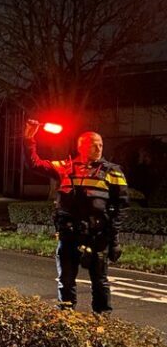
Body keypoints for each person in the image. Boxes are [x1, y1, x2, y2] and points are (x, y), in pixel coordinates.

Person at [24, 121, 129, 313]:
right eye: (93, 144)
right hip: (69, 235)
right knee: (66, 281)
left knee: (100, 282)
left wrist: (114, 241)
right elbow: (34, 164)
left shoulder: (112, 171)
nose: (98, 148)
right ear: (81, 146)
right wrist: (29, 138)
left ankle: (101, 321)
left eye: (100, 145)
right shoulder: (65, 167)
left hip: (97, 237)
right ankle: (67, 320)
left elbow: (120, 208)